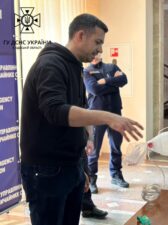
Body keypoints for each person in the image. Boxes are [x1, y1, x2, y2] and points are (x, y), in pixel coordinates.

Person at [20, 13, 143, 225]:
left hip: (68, 167)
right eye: (97, 42)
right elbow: (56, 111)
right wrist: (107, 117)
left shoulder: (74, 66)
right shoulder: (51, 65)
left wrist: (78, 169)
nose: (100, 49)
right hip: (47, 170)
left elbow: (79, 109)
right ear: (80, 35)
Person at [83, 53, 129, 192]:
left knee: (116, 146)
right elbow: (94, 89)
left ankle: (116, 175)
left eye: (97, 51)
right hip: (96, 114)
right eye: (92, 51)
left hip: (115, 113)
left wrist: (105, 81)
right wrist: (113, 83)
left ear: (100, 53)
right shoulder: (86, 71)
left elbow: (124, 79)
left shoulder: (112, 66)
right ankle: (92, 179)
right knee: (94, 149)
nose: (95, 54)